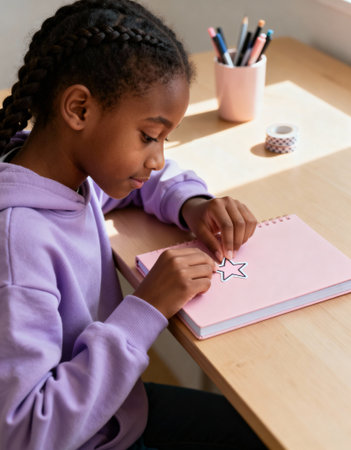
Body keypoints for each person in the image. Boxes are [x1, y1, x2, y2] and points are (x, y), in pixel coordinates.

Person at [0, 1, 264, 449]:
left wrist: (193, 205)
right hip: (85, 434)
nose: (158, 157)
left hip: (114, 411)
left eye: (164, 139)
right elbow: (24, 433)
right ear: (79, 109)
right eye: (148, 136)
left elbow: (145, 180)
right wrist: (146, 309)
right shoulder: (19, 245)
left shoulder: (62, 173)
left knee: (258, 432)